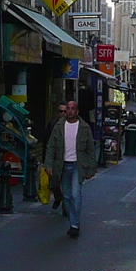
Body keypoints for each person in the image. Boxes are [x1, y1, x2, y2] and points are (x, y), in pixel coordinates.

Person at [46, 100, 97, 237]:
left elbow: (90, 150)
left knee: (75, 194)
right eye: (67, 108)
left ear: (77, 111)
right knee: (67, 196)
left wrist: (91, 169)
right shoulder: (58, 127)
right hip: (62, 165)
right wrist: (48, 164)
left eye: (72, 108)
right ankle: (72, 220)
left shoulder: (84, 128)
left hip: (77, 166)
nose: (69, 111)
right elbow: (51, 146)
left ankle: (75, 224)